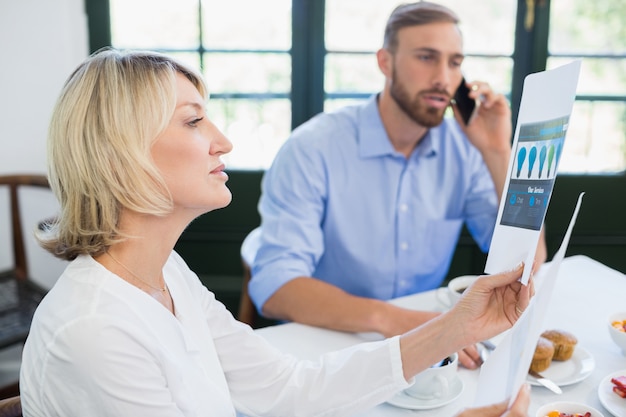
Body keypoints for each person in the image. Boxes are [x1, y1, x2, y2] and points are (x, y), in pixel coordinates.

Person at [19, 48, 532, 417]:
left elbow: (287, 388)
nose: (223, 141)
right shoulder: (95, 332)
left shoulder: (166, 274)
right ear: (119, 156)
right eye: (194, 122)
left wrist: (453, 328)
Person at [248, 1, 547, 368]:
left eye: (454, 63)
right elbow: (275, 288)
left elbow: (526, 264)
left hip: (425, 345)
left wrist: (500, 153)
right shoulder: (312, 148)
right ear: (385, 62)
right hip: (327, 341)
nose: (443, 78)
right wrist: (402, 323)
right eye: (426, 57)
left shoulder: (467, 150)